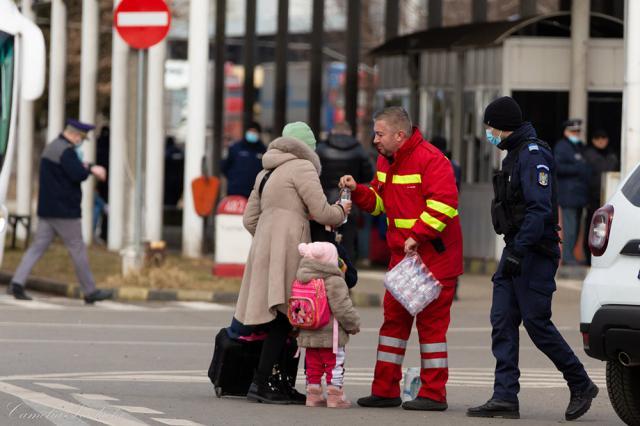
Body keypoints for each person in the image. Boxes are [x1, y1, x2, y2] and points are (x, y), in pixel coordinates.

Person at [467, 97, 598, 421]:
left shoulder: (532, 155)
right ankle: (505, 397)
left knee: (537, 324)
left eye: (490, 128)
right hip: (517, 250)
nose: (488, 134)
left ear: (502, 126)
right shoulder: (513, 154)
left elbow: (539, 210)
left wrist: (519, 251)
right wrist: (513, 252)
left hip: (534, 253)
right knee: (502, 321)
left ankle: (580, 383)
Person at [339, 106, 463, 411]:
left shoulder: (433, 160)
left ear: (399, 134)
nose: (375, 139)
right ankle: (384, 390)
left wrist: (416, 235)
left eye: (380, 133)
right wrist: (359, 192)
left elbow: (444, 206)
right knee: (393, 323)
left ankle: (434, 394)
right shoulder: (386, 160)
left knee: (432, 328)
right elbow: (381, 203)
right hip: (404, 258)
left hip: (435, 258)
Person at [234, 121, 350, 404]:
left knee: (280, 316)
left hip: (264, 249)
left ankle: (277, 382)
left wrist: (269, 236)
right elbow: (322, 212)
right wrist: (341, 210)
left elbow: (249, 219)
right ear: (308, 148)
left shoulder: (266, 171)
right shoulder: (302, 167)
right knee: (289, 315)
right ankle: (263, 383)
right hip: (291, 249)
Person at [7, 119, 114, 304]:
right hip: (64, 211)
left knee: (37, 247)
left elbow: (72, 169)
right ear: (74, 135)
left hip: (47, 209)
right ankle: (90, 291)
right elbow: (77, 174)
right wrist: (90, 170)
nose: (80, 141)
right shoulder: (66, 151)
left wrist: (86, 166)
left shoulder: (52, 148)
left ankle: (17, 282)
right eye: (81, 138)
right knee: (77, 248)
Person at [295, 242, 361, 408]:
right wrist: (353, 325)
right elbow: (342, 307)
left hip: (308, 331)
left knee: (312, 364)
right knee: (334, 364)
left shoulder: (302, 278)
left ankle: (313, 394)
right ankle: (335, 396)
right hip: (332, 335)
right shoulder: (333, 281)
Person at [316, 121, 374, 260]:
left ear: (333, 131)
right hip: (350, 203)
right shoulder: (359, 150)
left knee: (325, 242)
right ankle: (347, 275)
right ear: (349, 132)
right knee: (348, 243)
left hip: (325, 201)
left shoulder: (321, 149)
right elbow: (369, 175)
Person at [554, 119, 591, 265]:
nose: (576, 134)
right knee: (569, 229)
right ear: (566, 132)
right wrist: (578, 169)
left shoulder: (580, 147)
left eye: (578, 132)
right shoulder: (562, 147)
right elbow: (558, 168)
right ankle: (568, 258)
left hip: (580, 195)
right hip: (568, 195)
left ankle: (572, 256)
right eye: (574, 132)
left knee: (576, 229)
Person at [582, 129, 619, 265]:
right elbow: (584, 178)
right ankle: (588, 258)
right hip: (593, 198)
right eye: (598, 138)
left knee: (607, 229)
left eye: (603, 138)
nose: (601, 141)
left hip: (609, 197)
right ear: (593, 140)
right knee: (592, 228)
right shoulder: (588, 155)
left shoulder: (612, 155)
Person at [221, 121, 267, 198]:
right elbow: (224, 166)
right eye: (250, 131)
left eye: (255, 132)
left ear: (259, 134)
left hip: (254, 194)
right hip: (235, 192)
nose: (252, 134)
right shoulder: (235, 148)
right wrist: (233, 179)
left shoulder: (263, 150)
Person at [163, 136, 184, 207]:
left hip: (168, 182)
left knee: (168, 201)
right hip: (178, 181)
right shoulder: (180, 152)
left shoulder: (166, 152)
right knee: (174, 201)